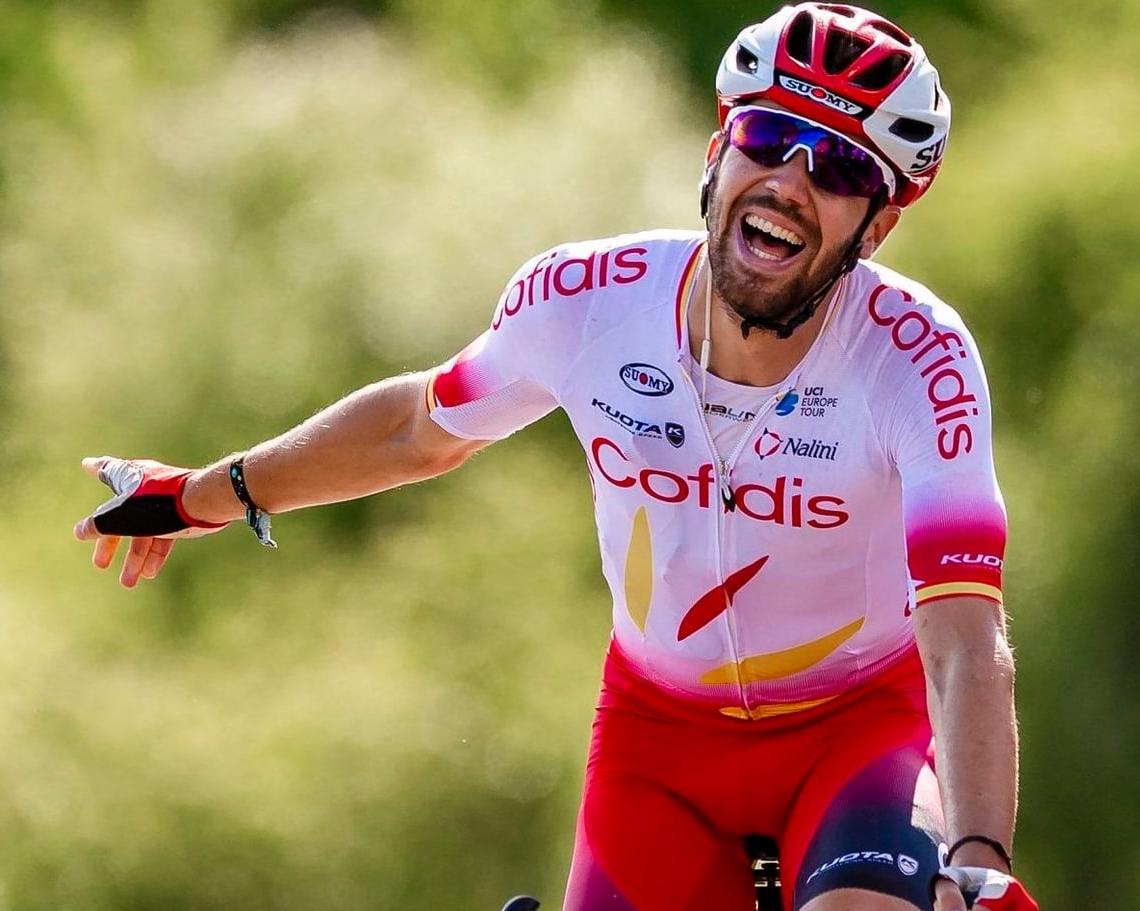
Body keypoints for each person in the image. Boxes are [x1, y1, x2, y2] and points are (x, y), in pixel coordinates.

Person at [73, 4, 1038, 910]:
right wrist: (200, 494)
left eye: (837, 168)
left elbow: (963, 636)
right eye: (764, 140)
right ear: (716, 153)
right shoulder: (589, 301)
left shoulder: (919, 356)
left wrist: (981, 863)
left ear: (881, 221)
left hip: (859, 723)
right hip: (659, 740)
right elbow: (418, 429)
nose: (789, 179)